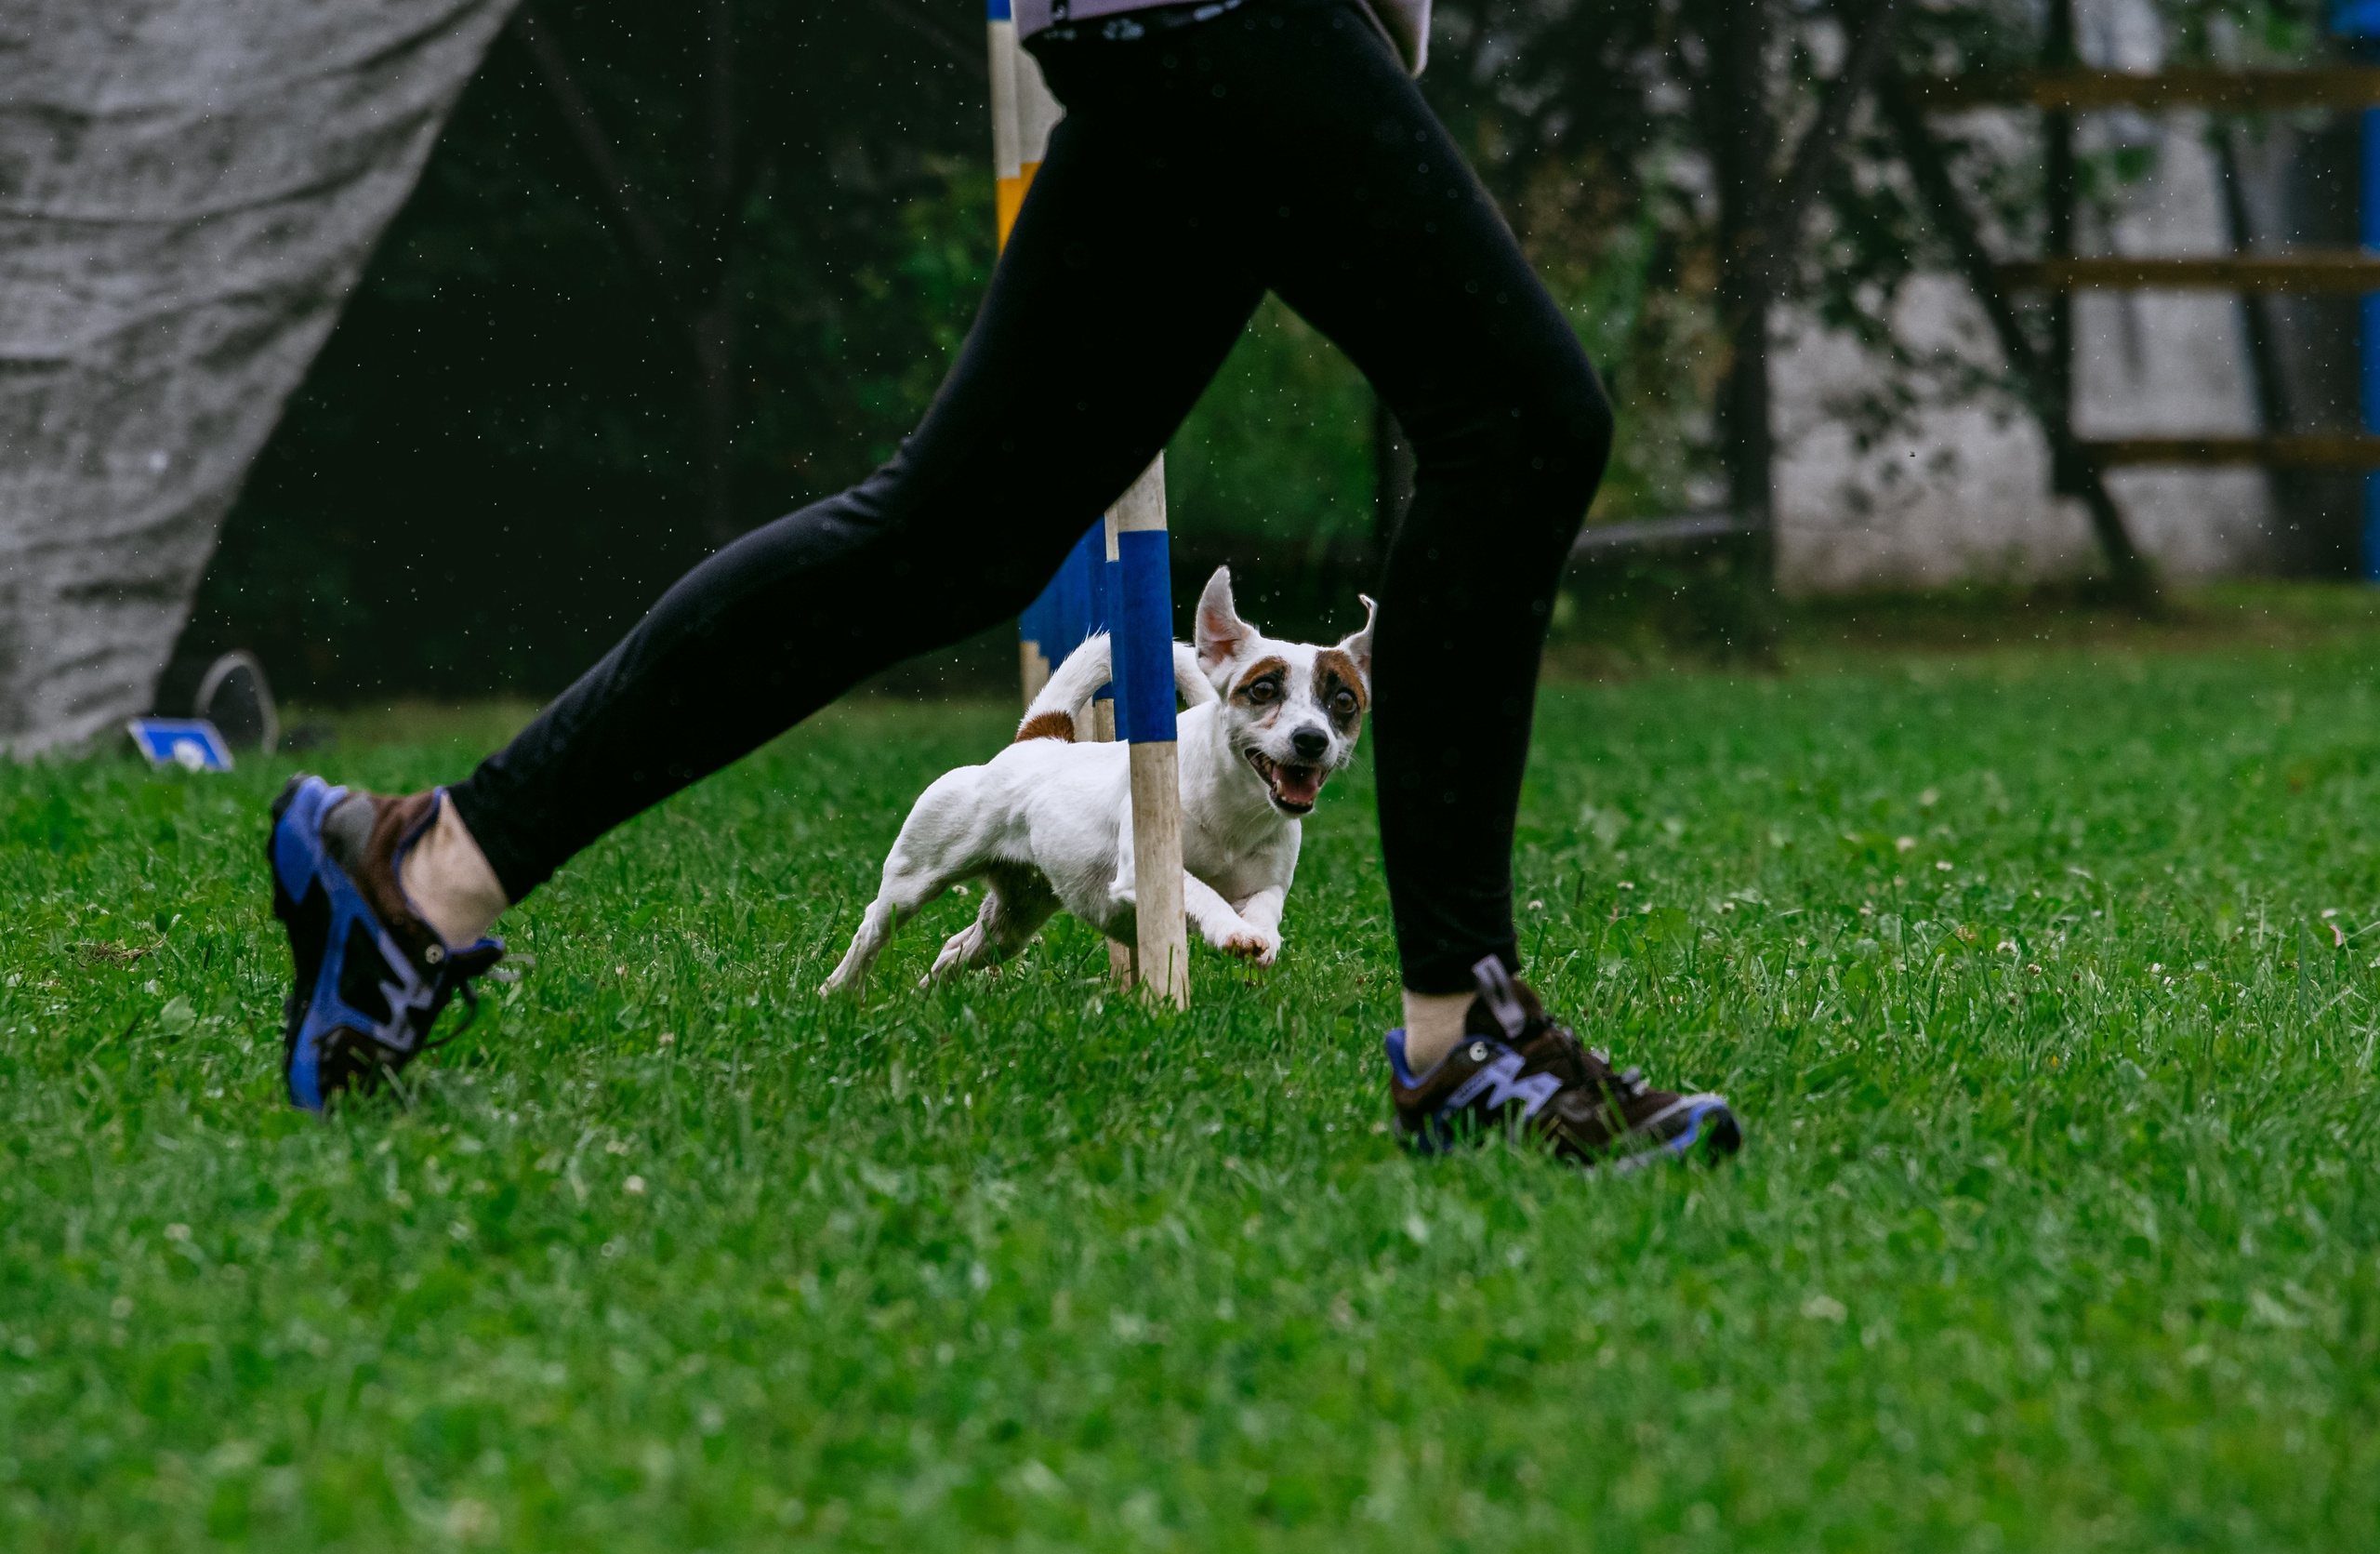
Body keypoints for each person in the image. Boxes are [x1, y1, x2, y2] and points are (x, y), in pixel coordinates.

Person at [265, 0, 1742, 1165]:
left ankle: (424, 870)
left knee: (951, 533)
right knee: (1521, 418)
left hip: (1191, 17)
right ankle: (1459, 1040)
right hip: (1226, 10)